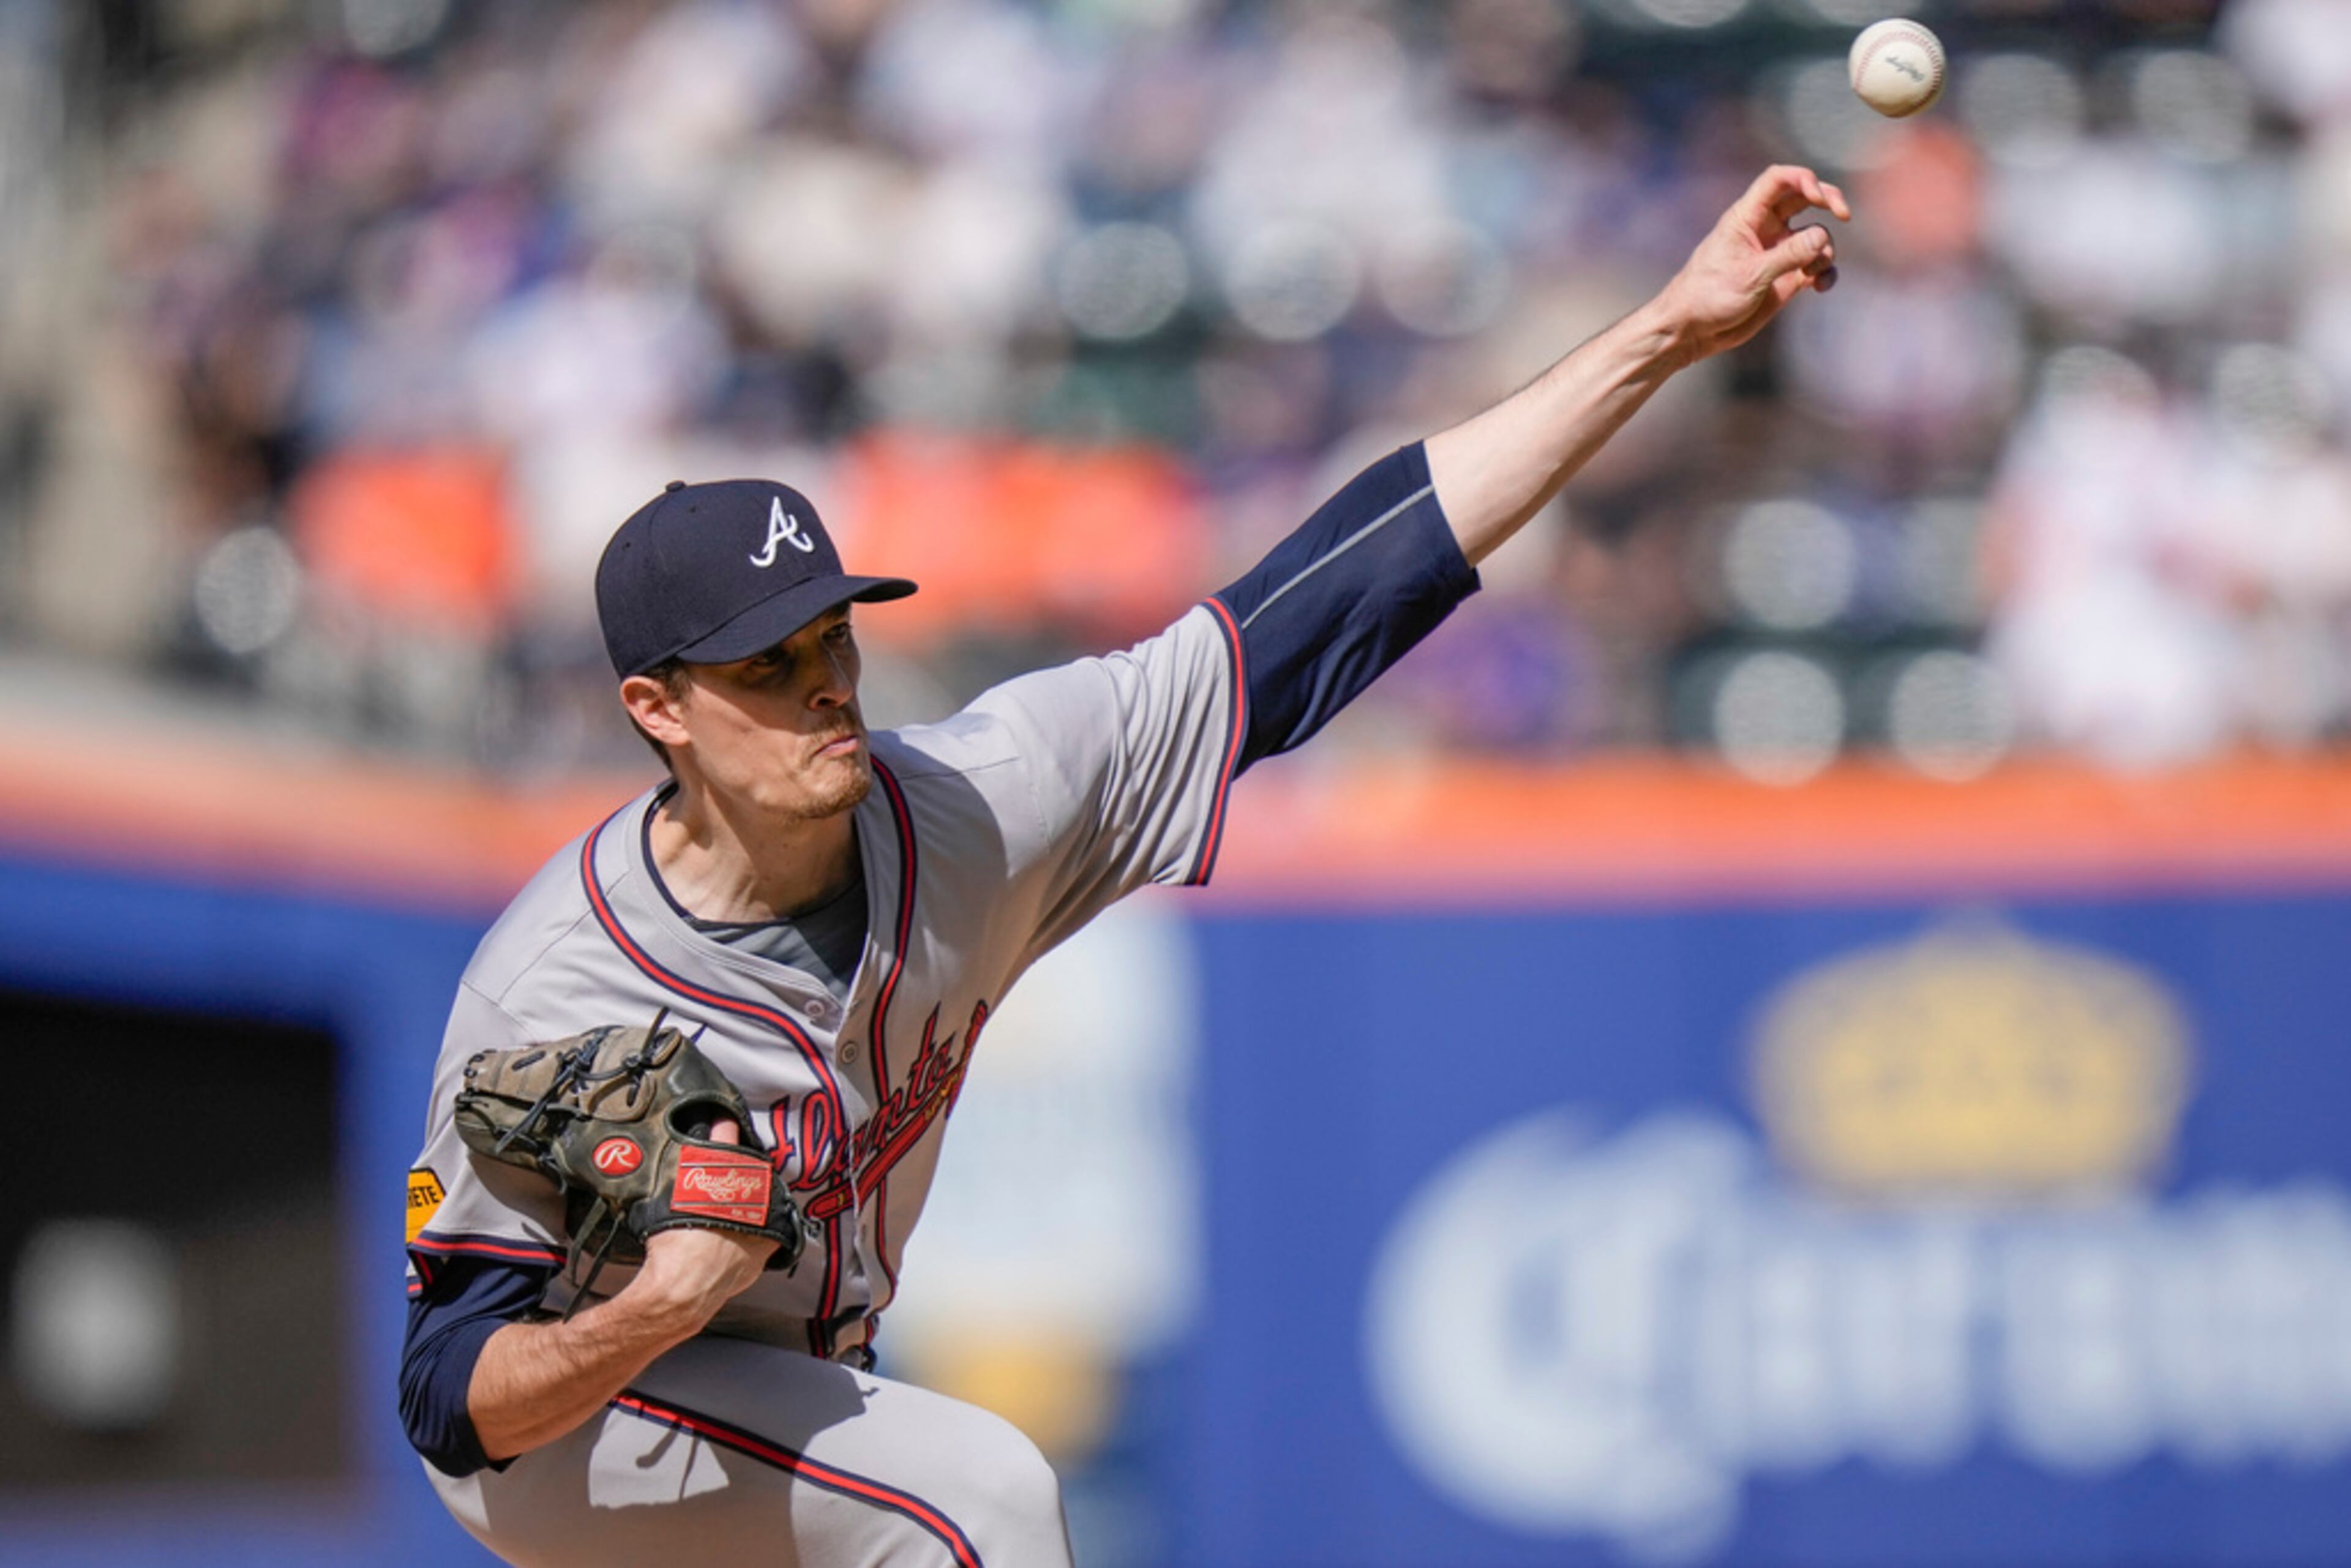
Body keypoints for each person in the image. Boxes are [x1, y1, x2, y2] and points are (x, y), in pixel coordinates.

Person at [398, 166, 1849, 1566]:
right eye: (766, 668)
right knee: (977, 1502)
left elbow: (1321, 601)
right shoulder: (557, 984)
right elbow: (449, 1397)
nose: (825, 685)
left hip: (790, 1394)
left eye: (831, 639)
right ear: (657, 710)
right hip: (571, 1437)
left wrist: (1661, 335)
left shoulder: (979, 800)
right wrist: (647, 1314)